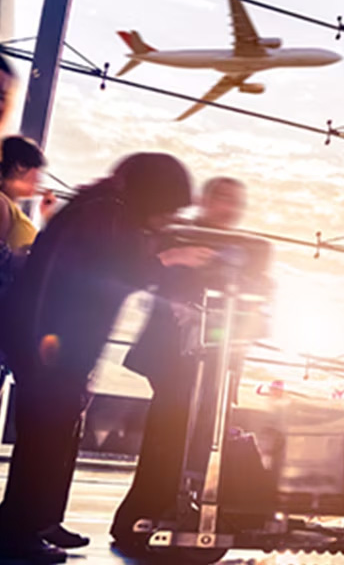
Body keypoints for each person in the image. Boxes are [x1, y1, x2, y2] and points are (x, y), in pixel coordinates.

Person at [0, 154, 214, 563]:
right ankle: (17, 531)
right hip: (51, 343)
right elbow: (115, 269)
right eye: (169, 205)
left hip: (53, 341)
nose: (168, 217)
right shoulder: (104, 213)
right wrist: (171, 261)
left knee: (56, 435)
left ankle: (39, 521)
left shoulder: (100, 207)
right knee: (44, 438)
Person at [110, 177, 249, 553]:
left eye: (237, 201)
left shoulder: (235, 247)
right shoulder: (181, 236)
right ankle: (141, 517)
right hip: (176, 356)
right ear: (206, 199)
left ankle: (167, 513)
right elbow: (153, 280)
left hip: (212, 359)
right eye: (224, 199)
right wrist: (177, 305)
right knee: (169, 436)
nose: (231, 208)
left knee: (191, 437)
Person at [0, 136, 55, 254]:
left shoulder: (12, 208)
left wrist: (47, 218)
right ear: (20, 166)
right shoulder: (2, 203)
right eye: (38, 170)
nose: (39, 179)